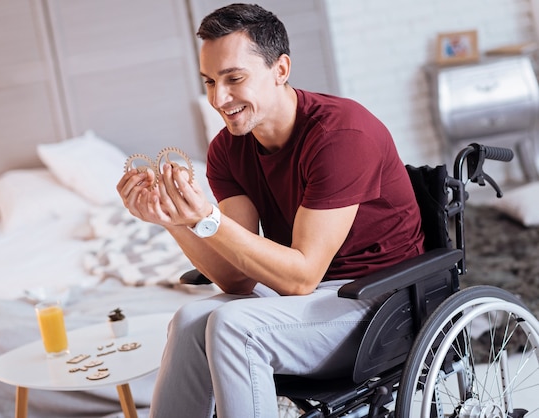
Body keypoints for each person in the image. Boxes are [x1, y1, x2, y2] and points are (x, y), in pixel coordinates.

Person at [117, 3, 424, 417]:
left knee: (233, 328)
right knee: (191, 320)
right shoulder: (227, 148)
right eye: (209, 81)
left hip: (378, 298)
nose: (218, 98)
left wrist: (206, 217)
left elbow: (300, 277)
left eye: (234, 79)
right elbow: (236, 278)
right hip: (309, 296)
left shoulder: (341, 135)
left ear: (280, 70)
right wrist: (176, 221)